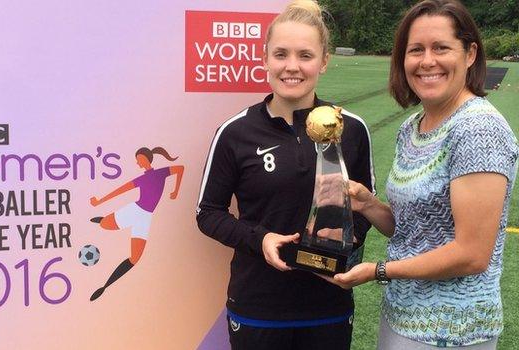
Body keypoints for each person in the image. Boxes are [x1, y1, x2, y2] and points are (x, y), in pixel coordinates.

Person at [328, 0, 519, 348]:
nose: (427, 61)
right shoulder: (412, 127)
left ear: (470, 53)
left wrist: (379, 270)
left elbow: (472, 254)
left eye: (441, 48)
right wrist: (369, 204)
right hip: (402, 317)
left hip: (453, 330)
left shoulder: (478, 129)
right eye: (416, 50)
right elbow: (414, 232)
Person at [196, 1, 375, 349]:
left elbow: (365, 207)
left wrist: (347, 238)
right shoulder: (235, 133)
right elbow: (208, 213)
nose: (292, 67)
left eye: (305, 55)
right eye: (281, 54)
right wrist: (259, 239)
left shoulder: (351, 129)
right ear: (264, 59)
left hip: (329, 306)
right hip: (258, 305)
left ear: (323, 61)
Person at [89, 146, 184, 301]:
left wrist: (176, 190)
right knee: (105, 225)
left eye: (139, 160)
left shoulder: (160, 173)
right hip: (133, 211)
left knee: (135, 258)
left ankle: (104, 287)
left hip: (146, 217)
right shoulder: (141, 179)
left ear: (146, 159)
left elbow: (180, 169)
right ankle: (102, 220)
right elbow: (121, 190)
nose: (138, 164)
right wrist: (99, 201)